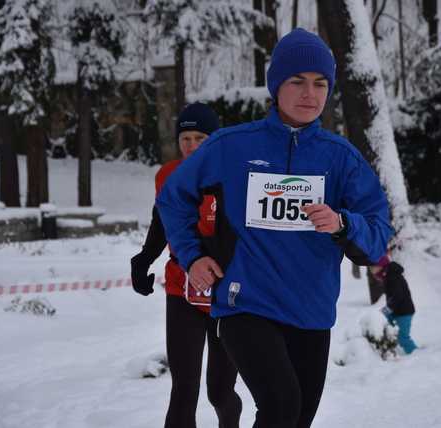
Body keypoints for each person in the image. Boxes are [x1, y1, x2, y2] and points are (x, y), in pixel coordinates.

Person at [156, 28, 393, 428]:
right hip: (246, 302)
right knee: (281, 404)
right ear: (275, 85)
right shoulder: (232, 146)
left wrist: (341, 223)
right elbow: (173, 198)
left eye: (320, 83)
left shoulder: (341, 158)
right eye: (297, 81)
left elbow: (377, 231)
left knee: (297, 417)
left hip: (311, 310)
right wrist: (193, 256)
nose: (310, 93)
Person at [130, 102, 242, 428]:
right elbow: (161, 221)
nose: (191, 146)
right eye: (185, 138)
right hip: (182, 291)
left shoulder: (232, 176)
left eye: (200, 138)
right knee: (184, 389)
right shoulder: (168, 175)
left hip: (224, 295)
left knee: (220, 391)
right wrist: (144, 260)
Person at [371, 255, 418, 354]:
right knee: (383, 325)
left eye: (373, 266)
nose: (372, 269)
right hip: (396, 310)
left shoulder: (393, 276)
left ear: (381, 266)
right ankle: (386, 349)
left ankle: (416, 355)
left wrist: (388, 309)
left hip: (404, 312)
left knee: (403, 338)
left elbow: (398, 296)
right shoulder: (388, 275)